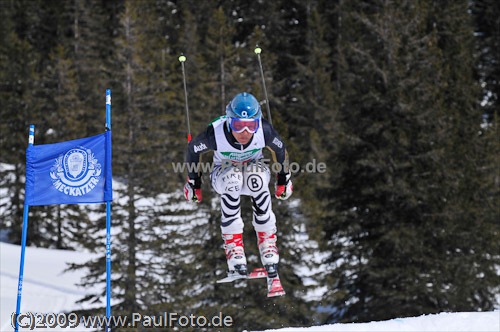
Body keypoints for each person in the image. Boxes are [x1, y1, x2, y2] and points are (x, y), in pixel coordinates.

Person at [184, 92, 292, 281]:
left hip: (253, 170)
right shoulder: (215, 134)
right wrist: (194, 183)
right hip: (224, 174)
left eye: (251, 126)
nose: (245, 133)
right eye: (238, 125)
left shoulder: (264, 131)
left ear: (257, 123)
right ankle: (234, 249)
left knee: (256, 177)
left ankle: (267, 241)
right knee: (233, 178)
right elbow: (193, 149)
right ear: (228, 121)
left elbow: (280, 150)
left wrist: (283, 179)